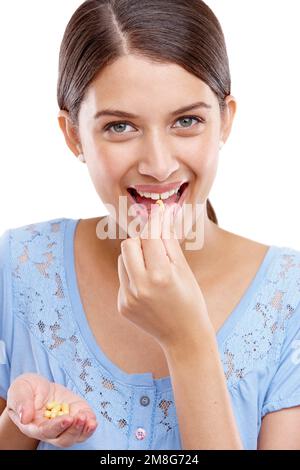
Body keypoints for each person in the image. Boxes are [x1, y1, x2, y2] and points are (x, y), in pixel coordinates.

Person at [1, 0, 300, 451]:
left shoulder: (290, 297)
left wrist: (187, 341)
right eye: (120, 126)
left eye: (187, 121)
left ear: (225, 122)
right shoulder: (16, 269)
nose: (159, 166)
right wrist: (18, 424)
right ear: (73, 135)